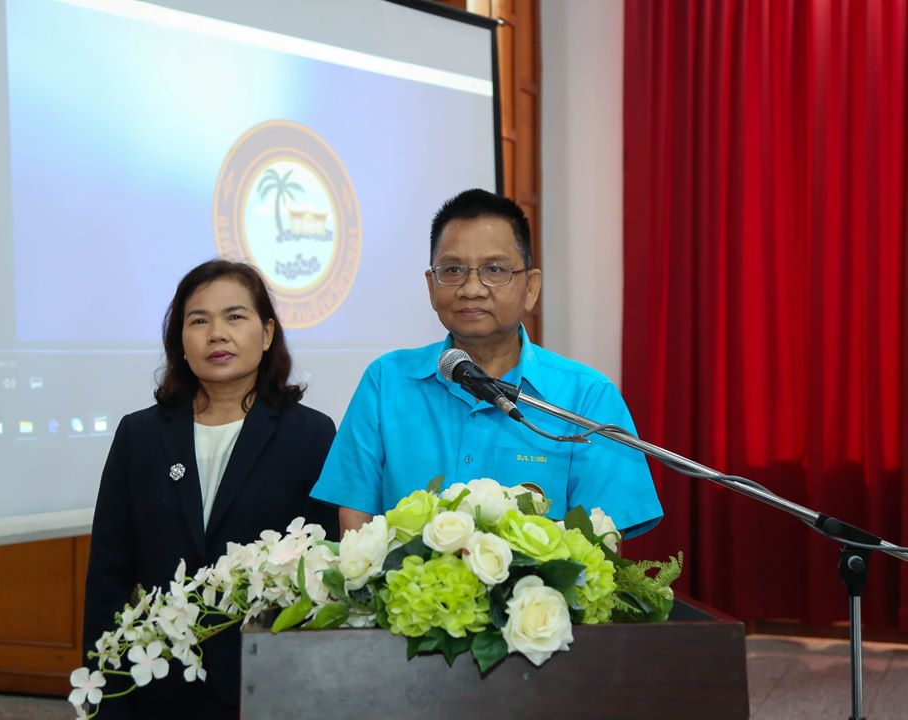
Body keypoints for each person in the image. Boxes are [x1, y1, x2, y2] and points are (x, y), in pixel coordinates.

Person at [311, 189, 662, 539]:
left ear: (531, 287)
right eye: (452, 270)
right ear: (431, 285)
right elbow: (355, 525)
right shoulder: (386, 381)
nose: (471, 288)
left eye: (494, 269)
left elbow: (602, 544)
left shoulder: (587, 398)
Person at [83, 260, 337, 719]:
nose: (217, 334)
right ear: (180, 342)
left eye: (234, 317)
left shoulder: (311, 435)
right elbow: (108, 572)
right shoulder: (139, 436)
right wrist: (106, 695)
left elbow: (322, 571)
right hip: (157, 680)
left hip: (266, 678)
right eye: (198, 321)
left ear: (266, 333)